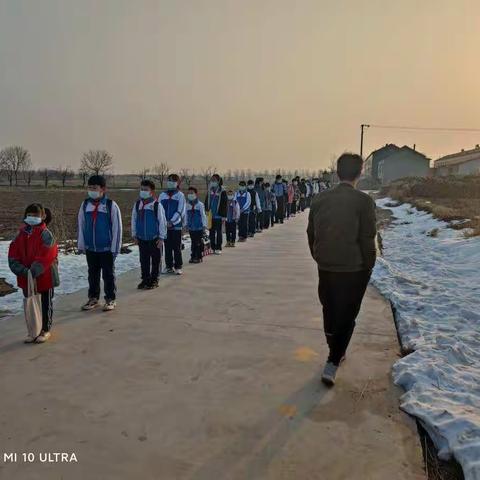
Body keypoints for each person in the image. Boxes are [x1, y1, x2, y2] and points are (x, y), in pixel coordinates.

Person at [307, 153, 377, 387]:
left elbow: (311, 233)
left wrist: (319, 256)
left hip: (326, 265)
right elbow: (367, 239)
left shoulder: (319, 199)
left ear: (337, 172)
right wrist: (369, 265)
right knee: (347, 314)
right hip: (353, 268)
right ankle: (333, 359)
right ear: (360, 174)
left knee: (330, 308)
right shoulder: (363, 202)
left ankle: (335, 349)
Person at [8, 203, 59, 343]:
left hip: (45, 276)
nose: (32, 218)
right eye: (29, 215)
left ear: (43, 216)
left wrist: (33, 271)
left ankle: (45, 329)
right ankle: (34, 330)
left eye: (35, 215)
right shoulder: (20, 234)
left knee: (45, 303)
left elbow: (48, 254)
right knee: (30, 304)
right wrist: (23, 271)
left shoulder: (46, 234)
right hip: (26, 278)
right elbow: (13, 254)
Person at [78, 175, 122, 311]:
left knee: (108, 274)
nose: (92, 190)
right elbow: (81, 224)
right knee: (92, 274)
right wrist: (81, 244)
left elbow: (117, 228)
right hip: (91, 247)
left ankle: (110, 299)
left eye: (95, 188)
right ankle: (93, 298)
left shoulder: (110, 205)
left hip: (106, 248)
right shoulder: (85, 205)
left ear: (103, 189)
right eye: (89, 188)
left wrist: (115, 248)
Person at [131, 179, 167, 289]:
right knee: (144, 260)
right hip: (142, 238)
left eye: (146, 190)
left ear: (151, 192)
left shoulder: (156, 205)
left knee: (156, 260)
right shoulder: (137, 205)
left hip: (154, 238)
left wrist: (161, 237)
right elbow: (134, 219)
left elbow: (162, 222)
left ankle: (154, 279)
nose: (143, 191)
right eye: (141, 189)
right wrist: (134, 234)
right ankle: (145, 279)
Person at [159, 173, 186, 274]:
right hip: (165, 226)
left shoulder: (180, 195)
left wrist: (172, 222)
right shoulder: (162, 195)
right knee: (168, 247)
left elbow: (180, 211)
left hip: (176, 226)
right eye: (169, 180)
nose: (170, 182)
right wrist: (164, 222)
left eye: (173, 181)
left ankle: (178, 266)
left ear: (177, 183)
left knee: (176, 247)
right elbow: (159, 210)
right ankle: (169, 266)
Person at [204, 174, 228, 255]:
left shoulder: (222, 191)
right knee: (211, 232)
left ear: (218, 181)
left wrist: (224, 216)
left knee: (219, 232)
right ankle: (213, 247)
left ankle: (218, 247)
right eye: (212, 180)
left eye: (214, 180)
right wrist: (206, 210)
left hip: (219, 215)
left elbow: (225, 204)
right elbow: (206, 201)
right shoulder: (210, 190)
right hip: (211, 215)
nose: (212, 181)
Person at [186, 187, 207, 263]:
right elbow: (186, 215)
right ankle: (193, 256)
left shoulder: (200, 204)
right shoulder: (187, 205)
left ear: (196, 194)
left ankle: (198, 256)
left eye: (192, 193)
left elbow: (203, 215)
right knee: (193, 242)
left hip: (199, 227)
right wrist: (186, 225)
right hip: (191, 227)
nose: (190, 195)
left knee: (198, 242)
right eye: (189, 193)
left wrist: (204, 225)